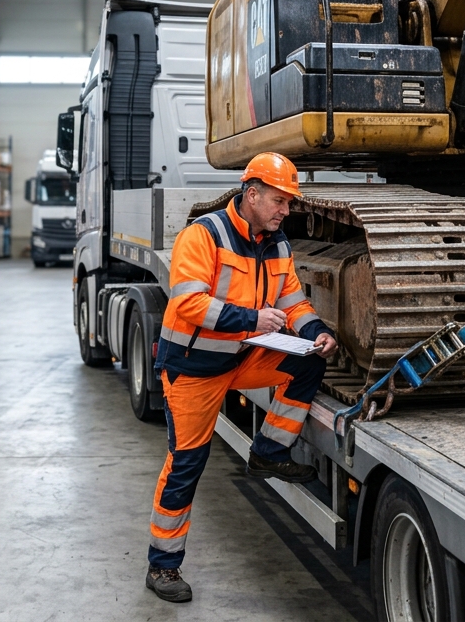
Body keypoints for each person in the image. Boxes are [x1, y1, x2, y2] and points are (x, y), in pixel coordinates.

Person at [144, 152, 337, 603]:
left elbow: (294, 304)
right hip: (193, 370)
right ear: (251, 195)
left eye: (289, 203)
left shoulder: (277, 244)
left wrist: (317, 332)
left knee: (308, 361)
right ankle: (163, 566)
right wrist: (252, 318)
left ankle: (268, 452)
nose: (286, 211)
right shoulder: (203, 235)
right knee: (186, 465)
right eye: (279, 201)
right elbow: (189, 302)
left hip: (240, 359)